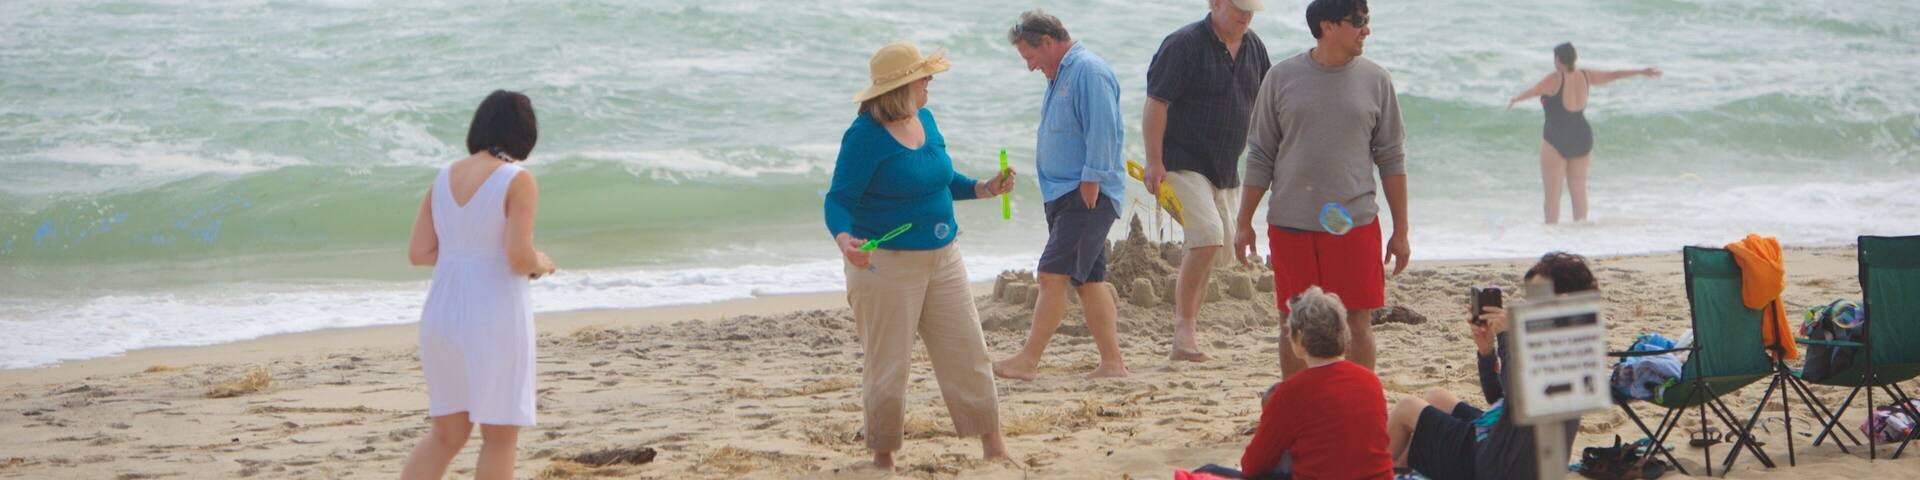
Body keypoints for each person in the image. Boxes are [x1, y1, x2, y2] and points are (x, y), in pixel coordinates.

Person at [823, 42, 1017, 471]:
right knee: (888, 364)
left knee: (968, 351)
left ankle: (994, 447)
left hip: (944, 258)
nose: (930, 82)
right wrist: (843, 240)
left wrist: (985, 188)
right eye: (924, 76)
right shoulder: (864, 137)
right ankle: (883, 456)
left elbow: (941, 182)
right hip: (886, 265)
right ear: (901, 86)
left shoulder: (926, 119)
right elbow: (838, 200)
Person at [1235, 0, 1407, 377]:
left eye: (1367, 21)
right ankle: (1300, 410)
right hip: (1291, 223)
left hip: (1356, 223)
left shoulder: (1377, 81)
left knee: (1357, 322)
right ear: (1327, 26)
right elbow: (1260, 154)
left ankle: (1356, 406)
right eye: (1358, 21)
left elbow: (1391, 159)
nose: (1366, 30)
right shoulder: (1281, 78)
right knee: (1292, 322)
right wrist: (1244, 222)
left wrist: (1402, 231)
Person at [401, 90, 556, 480]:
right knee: (500, 437)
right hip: (493, 314)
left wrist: (465, 253)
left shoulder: (443, 176)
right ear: (524, 133)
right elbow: (518, 257)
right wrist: (542, 264)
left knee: (446, 435)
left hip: (441, 314)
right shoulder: (516, 178)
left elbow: (419, 252)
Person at [993, 9, 1131, 380]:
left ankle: (1028, 360)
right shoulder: (1060, 73)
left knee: (1051, 276)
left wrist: (1091, 179)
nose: (1029, 66)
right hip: (1065, 192)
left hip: (1086, 192)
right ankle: (1113, 364)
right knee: (1089, 280)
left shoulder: (1088, 69)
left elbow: (1104, 127)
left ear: (1049, 42)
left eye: (1030, 57)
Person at [1385, 252, 1595, 480]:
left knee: (1407, 407)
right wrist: (1486, 352)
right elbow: (1498, 397)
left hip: (1494, 462)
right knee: (1436, 396)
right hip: (1498, 439)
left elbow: (1519, 399)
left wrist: (1506, 337)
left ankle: (1371, 472)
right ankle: (1400, 466)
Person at [1143, 0, 1273, 363]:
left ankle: (1189, 328)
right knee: (1206, 237)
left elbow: (1266, 103)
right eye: (1239, 8)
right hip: (1180, 162)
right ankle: (1183, 334)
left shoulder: (1254, 47)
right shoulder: (1182, 45)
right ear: (1216, 3)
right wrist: (1154, 162)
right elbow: (1156, 104)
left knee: (1219, 251)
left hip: (1225, 167)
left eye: (1251, 11)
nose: (1246, 16)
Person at [1194, 287, 1395, 479]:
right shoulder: (1370, 381)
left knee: (1206, 471)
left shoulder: (1291, 391)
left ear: (1299, 338)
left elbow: (1252, 464)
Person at [1505, 42, 1661, 224]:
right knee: (1578, 190)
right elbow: (1614, 75)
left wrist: (1516, 99)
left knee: (1552, 196)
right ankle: (1580, 237)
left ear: (1557, 59)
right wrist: (1641, 71)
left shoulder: (1555, 78)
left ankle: (1551, 239)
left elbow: (1534, 91)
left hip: (1556, 137)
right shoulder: (1586, 75)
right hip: (1581, 136)